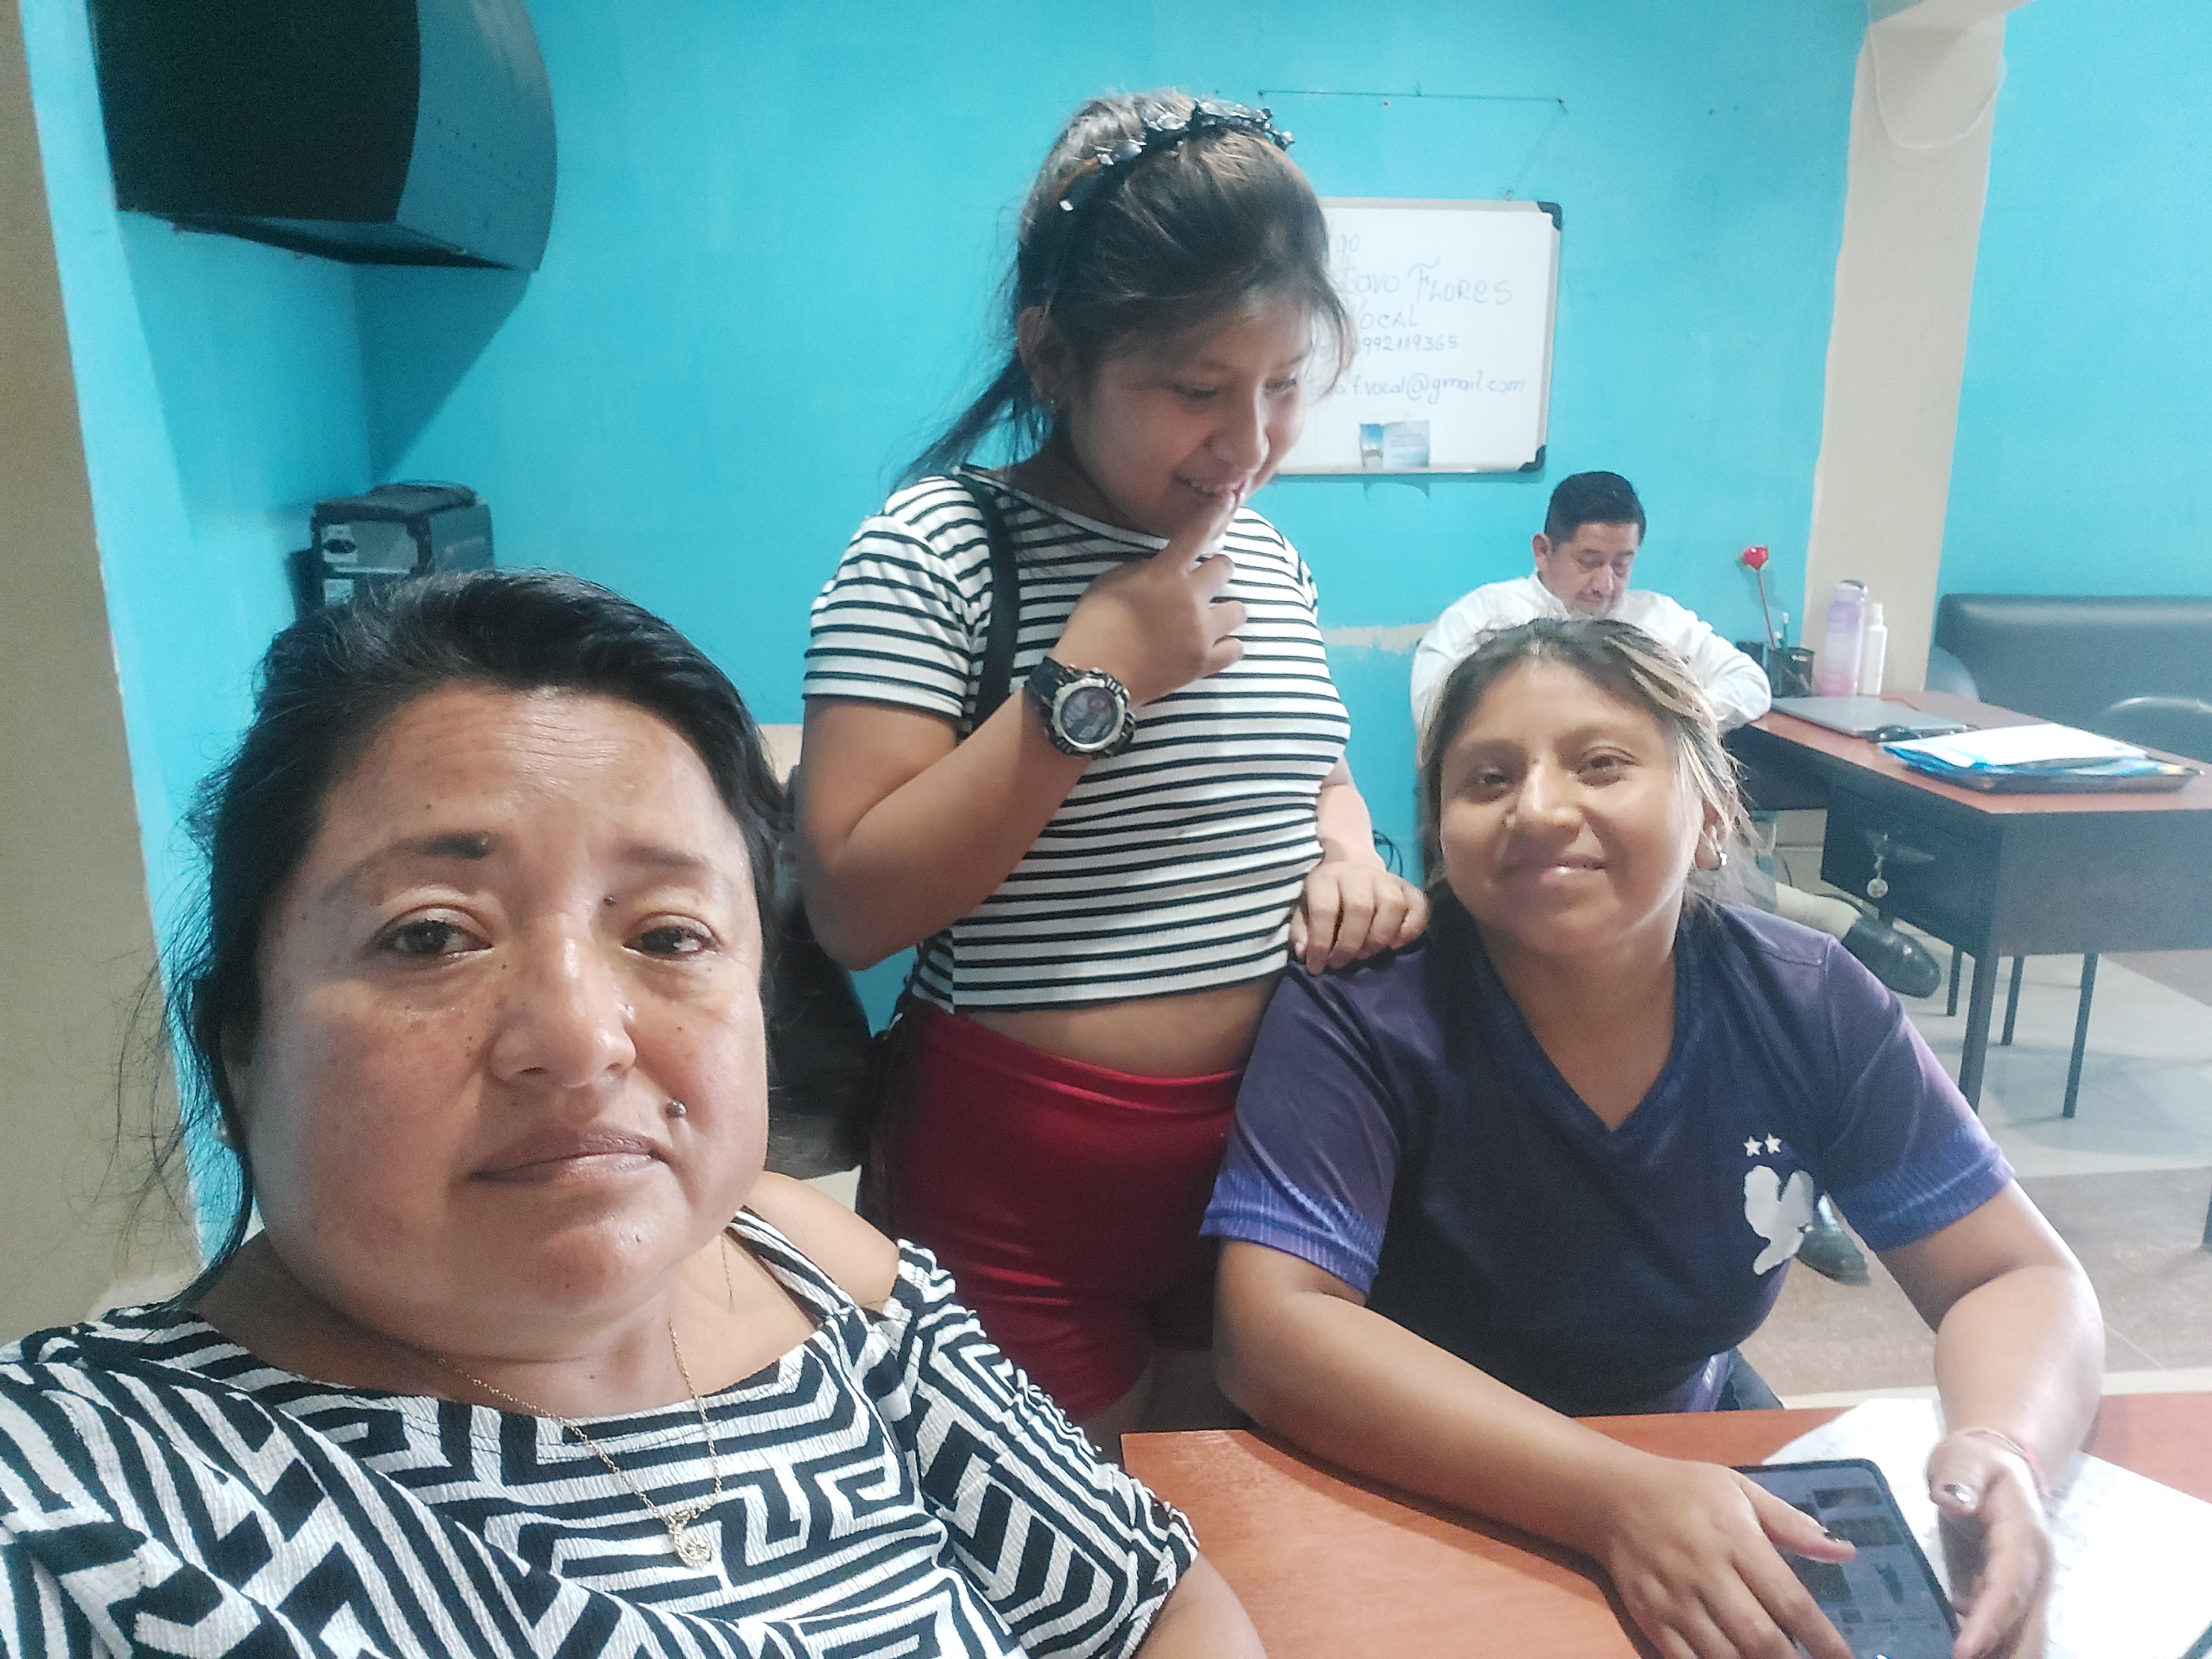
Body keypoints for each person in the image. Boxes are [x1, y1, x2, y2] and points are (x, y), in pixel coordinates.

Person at [0, 572, 1261, 1658]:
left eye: (668, 935)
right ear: (243, 1041)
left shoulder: (817, 1270)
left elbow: (1153, 1602)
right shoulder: (81, 1500)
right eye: (431, 935)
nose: (582, 1038)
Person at [1209, 618, 2103, 1659]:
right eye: (1488, 779)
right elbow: (1274, 1330)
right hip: (1419, 1480)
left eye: (1601, 764)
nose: (1540, 808)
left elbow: (2012, 1274)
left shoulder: (1808, 1001)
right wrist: (1610, 1498)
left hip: (1686, 1443)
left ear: (1711, 810)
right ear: (1441, 830)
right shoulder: (1362, 1008)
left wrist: (2005, 1447)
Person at [797, 91, 1426, 1447]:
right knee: (1058, 1549)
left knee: (1234, 1520)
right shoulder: (937, 550)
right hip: (1015, 1185)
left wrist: (1345, 856)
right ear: (1051, 355)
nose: (1247, 443)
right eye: (1196, 391)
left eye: (1282, 386)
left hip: (1266, 1168)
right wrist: (1092, 683)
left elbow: (1313, 772)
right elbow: (849, 903)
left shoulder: (1269, 559)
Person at [1412, 472, 1937, 1284]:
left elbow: (1749, 684)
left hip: (1681, 881)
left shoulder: (1659, 622)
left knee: (1707, 907)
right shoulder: (1482, 623)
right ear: (1544, 551)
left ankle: (1804, 1182)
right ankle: (1827, 915)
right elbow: (1442, 730)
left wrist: (1662, 726)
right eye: (1589, 561)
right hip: (1530, 880)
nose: (1606, 583)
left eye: (1622, 564)